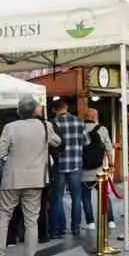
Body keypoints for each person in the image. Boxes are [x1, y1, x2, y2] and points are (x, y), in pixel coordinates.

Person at [0, 97, 61, 256]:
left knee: (3, 216)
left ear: (19, 111)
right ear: (34, 110)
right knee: (31, 220)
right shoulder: (45, 126)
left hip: (12, 179)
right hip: (36, 179)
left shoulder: (10, 128)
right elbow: (58, 142)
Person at [50, 101, 88, 237]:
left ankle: (57, 230)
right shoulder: (79, 121)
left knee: (57, 197)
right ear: (66, 107)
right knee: (76, 197)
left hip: (59, 164)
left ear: (55, 110)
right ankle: (76, 228)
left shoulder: (52, 123)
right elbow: (86, 141)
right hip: (76, 164)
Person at [81, 108, 115, 227]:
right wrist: (111, 165)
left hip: (83, 170)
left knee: (86, 197)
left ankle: (90, 223)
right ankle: (110, 220)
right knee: (104, 195)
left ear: (85, 116)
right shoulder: (102, 129)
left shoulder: (79, 128)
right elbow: (109, 148)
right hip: (99, 170)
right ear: (95, 117)